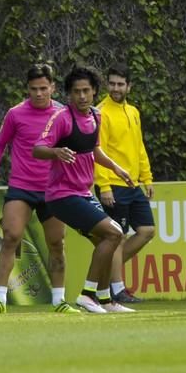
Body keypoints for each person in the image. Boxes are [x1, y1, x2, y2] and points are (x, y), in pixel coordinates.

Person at [33, 65, 135, 313]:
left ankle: (105, 300)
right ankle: (88, 294)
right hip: (61, 195)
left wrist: (117, 168)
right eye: (76, 91)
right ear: (69, 94)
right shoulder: (62, 118)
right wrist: (56, 151)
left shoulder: (97, 116)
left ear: (94, 92)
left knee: (109, 238)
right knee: (113, 233)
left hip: (83, 192)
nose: (81, 96)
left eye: (86, 91)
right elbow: (37, 148)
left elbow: (95, 150)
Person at [0, 64, 79, 314]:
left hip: (54, 189)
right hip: (22, 187)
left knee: (56, 243)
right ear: (27, 89)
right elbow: (0, 142)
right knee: (11, 237)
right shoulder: (15, 114)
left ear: (53, 87)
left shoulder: (63, 114)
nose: (38, 93)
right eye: (34, 89)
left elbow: (77, 148)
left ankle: (59, 301)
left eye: (43, 88)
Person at [94, 63, 155, 304]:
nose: (116, 88)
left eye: (120, 84)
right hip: (112, 183)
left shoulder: (133, 112)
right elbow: (97, 152)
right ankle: (117, 289)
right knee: (117, 236)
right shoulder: (100, 112)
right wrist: (105, 185)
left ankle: (109, 273)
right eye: (112, 83)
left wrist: (147, 178)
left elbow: (139, 147)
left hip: (133, 184)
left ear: (129, 86)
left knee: (147, 231)